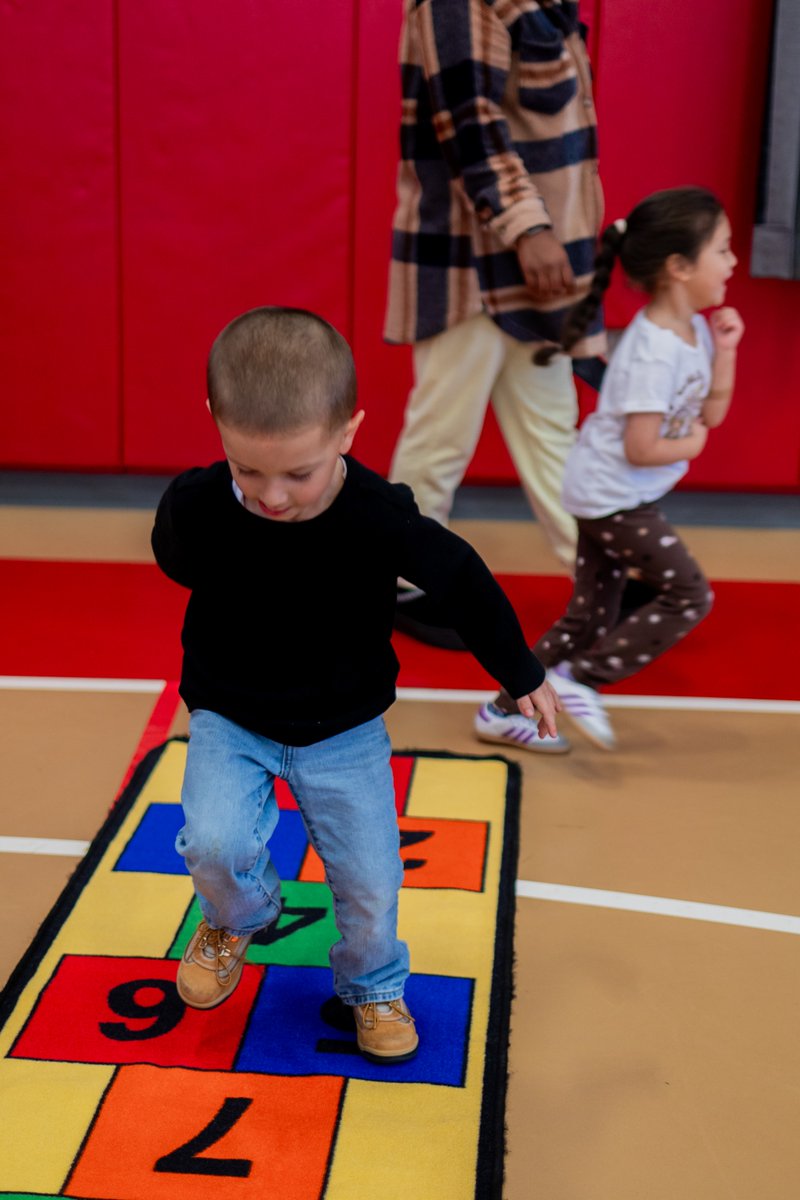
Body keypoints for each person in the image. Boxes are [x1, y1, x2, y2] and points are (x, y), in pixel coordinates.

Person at [151, 306, 560, 1064]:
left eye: (298, 473)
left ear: (348, 430)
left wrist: (519, 669)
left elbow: (462, 580)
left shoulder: (380, 516)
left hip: (342, 730)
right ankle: (239, 915)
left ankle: (373, 985)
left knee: (370, 880)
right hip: (231, 716)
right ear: (216, 424)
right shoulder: (201, 500)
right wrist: (205, 510)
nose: (273, 497)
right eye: (249, 469)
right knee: (213, 842)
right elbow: (175, 556)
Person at [475, 186, 744, 752]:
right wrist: (692, 442)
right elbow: (644, 446)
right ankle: (582, 681)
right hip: (613, 498)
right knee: (691, 595)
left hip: (609, 491)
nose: (733, 261)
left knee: (587, 619)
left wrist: (726, 352)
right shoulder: (652, 351)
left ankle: (502, 712)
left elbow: (714, 411)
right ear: (678, 267)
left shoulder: (693, 330)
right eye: (721, 250)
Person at [385, 0, 606, 651]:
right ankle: (402, 583)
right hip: (477, 265)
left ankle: (599, 580)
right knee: (442, 434)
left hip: (537, 269)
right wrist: (530, 227)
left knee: (552, 433)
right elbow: (469, 126)